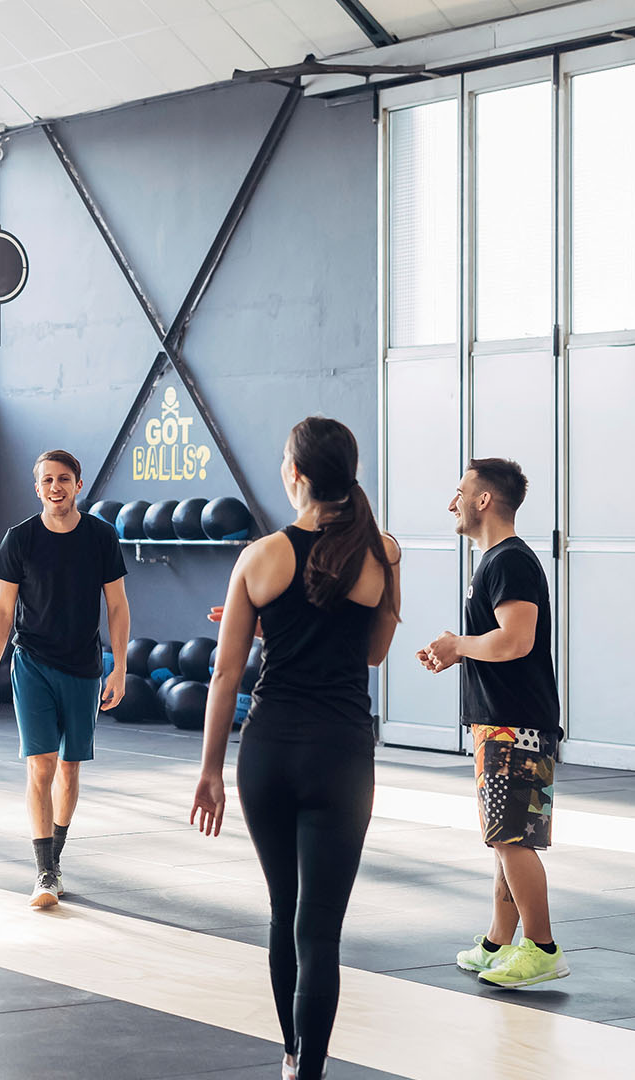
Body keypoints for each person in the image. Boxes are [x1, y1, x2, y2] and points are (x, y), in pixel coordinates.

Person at [191, 417, 400, 1080]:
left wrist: (208, 772)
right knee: (320, 932)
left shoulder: (260, 557)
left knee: (285, 909)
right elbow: (369, 653)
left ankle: (288, 1057)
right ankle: (308, 1073)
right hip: (340, 755)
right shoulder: (383, 553)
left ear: (297, 475)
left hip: (270, 752)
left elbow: (225, 677)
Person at [418, 458, 568, 989]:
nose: (452, 502)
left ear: (484, 500)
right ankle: (499, 941)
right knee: (503, 836)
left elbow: (517, 639)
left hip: (515, 724)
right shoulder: (494, 563)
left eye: (459, 492)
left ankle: (543, 947)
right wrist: (458, 652)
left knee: (512, 839)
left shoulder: (509, 562)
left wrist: (458, 645)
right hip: (500, 723)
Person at [0, 449, 129, 908]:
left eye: (64, 479)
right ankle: (45, 872)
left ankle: (55, 859)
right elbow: (3, 611)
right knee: (40, 765)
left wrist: (119, 666)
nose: (55, 487)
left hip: (83, 666)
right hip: (33, 662)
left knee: (69, 767)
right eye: (47, 480)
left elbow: (117, 606)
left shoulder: (101, 537)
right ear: (37, 487)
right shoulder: (19, 539)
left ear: (78, 485)